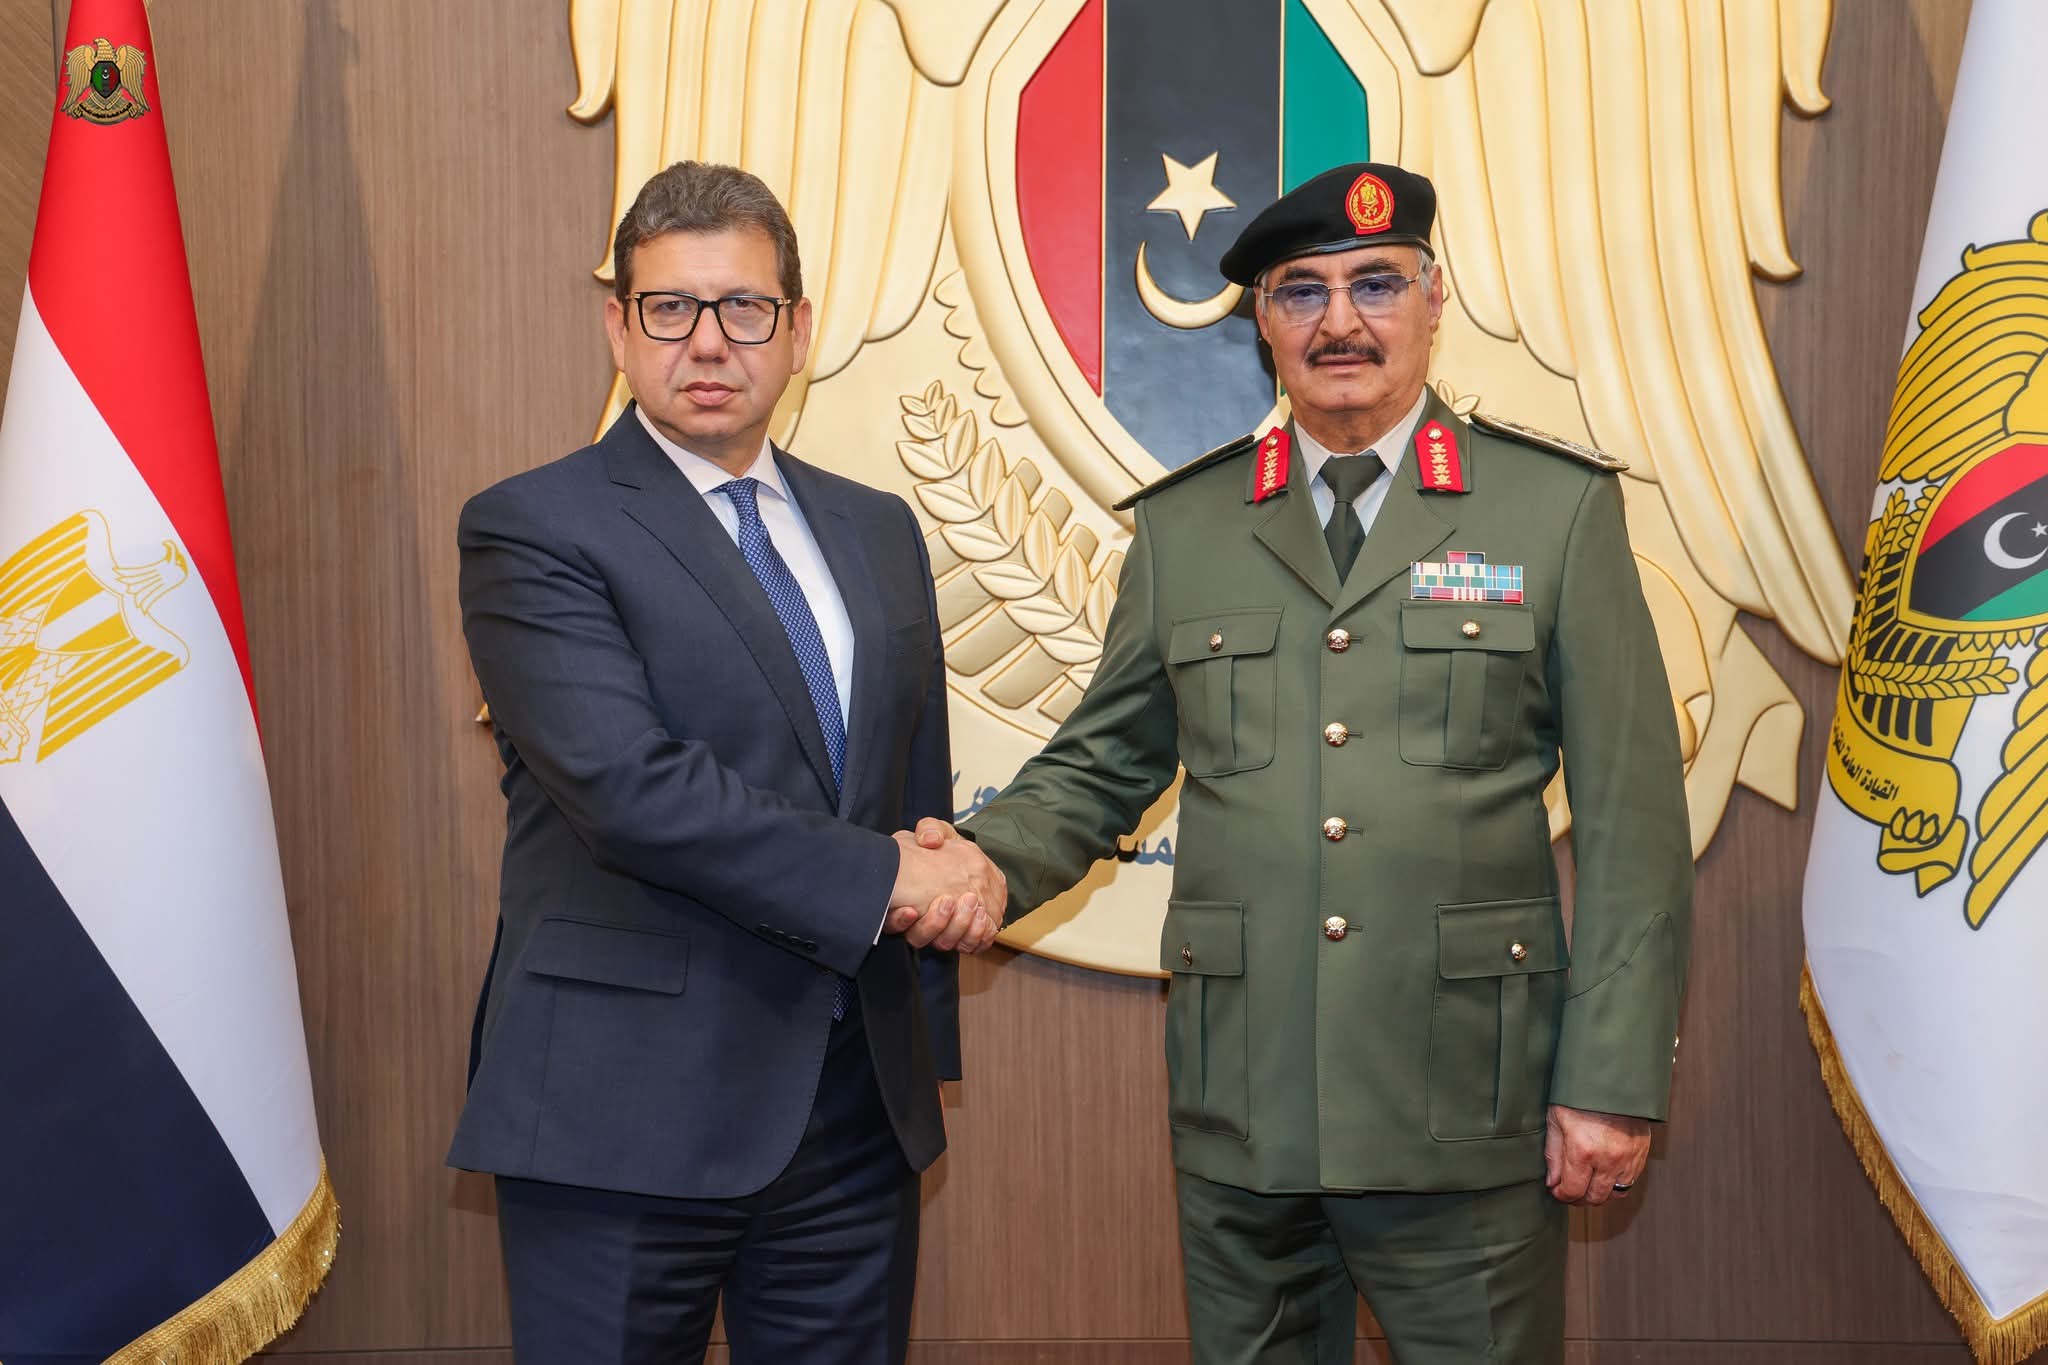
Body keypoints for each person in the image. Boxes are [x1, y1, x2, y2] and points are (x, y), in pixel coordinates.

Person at [927, 161, 1693, 1363]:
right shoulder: (1186, 526)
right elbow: (1100, 767)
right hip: (1246, 1107)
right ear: (1261, 323)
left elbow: (1631, 827)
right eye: (1301, 292)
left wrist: (1607, 1079)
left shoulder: (1551, 512)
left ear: (1432, 299)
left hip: (1464, 1104)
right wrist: (975, 865)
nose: (1340, 321)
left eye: (1374, 284)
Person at [449, 160, 1005, 1365]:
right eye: (670, 308)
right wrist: (889, 880)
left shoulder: (876, 526)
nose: (707, 342)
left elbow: (908, 787)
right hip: (620, 1110)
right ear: (618, 326)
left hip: (851, 1115)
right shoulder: (533, 526)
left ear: (796, 331)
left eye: (743, 308)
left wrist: (926, 949)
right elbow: (629, 791)